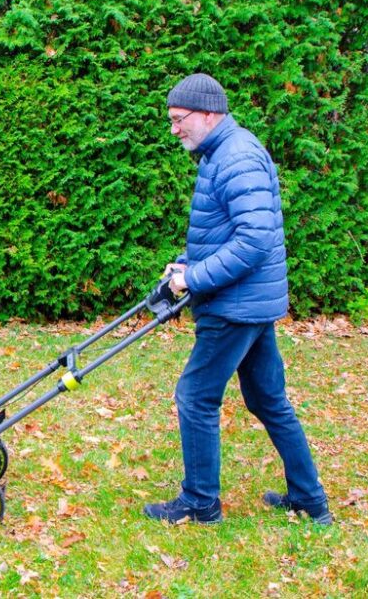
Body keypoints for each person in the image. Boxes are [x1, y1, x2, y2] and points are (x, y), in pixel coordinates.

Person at [142, 73, 332, 525]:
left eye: (179, 119)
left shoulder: (236, 156)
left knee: (195, 395)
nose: (174, 129)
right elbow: (227, 233)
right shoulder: (222, 152)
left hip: (235, 305)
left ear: (208, 113)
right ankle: (309, 498)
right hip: (249, 301)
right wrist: (186, 265)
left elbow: (252, 242)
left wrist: (195, 279)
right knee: (269, 400)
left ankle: (200, 503)